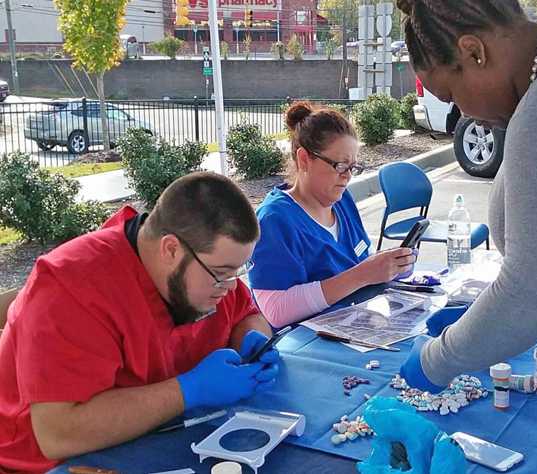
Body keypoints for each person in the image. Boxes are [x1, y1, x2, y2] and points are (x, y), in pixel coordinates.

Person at [394, 0, 537, 470]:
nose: (464, 112)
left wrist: (435, 362)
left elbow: (534, 293)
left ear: (473, 52)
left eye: (452, 93)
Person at [0, 172, 280, 474]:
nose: (229, 285)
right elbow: (58, 432)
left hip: (164, 436)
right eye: (222, 272)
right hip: (53, 463)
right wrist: (188, 391)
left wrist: (253, 344)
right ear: (171, 249)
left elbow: (247, 314)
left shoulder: (203, 267)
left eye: (239, 271)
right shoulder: (72, 288)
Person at [249, 101, 416, 327]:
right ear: (304, 159)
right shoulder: (275, 220)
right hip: (305, 346)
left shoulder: (342, 201)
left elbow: (359, 261)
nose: (347, 176)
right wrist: (363, 275)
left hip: (357, 325)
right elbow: (276, 310)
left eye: (353, 167)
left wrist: (388, 266)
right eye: (340, 165)